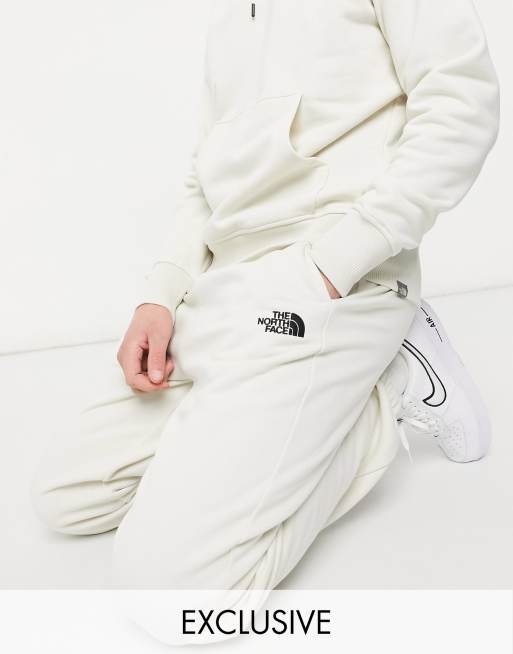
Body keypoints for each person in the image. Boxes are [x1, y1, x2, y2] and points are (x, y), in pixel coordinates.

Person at [31, 0, 499, 601]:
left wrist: (337, 263)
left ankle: (386, 386)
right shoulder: (230, 21)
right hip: (224, 289)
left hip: (330, 285)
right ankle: (283, 411)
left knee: (173, 591)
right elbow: (204, 179)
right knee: (65, 495)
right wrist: (161, 297)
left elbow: (463, 101)